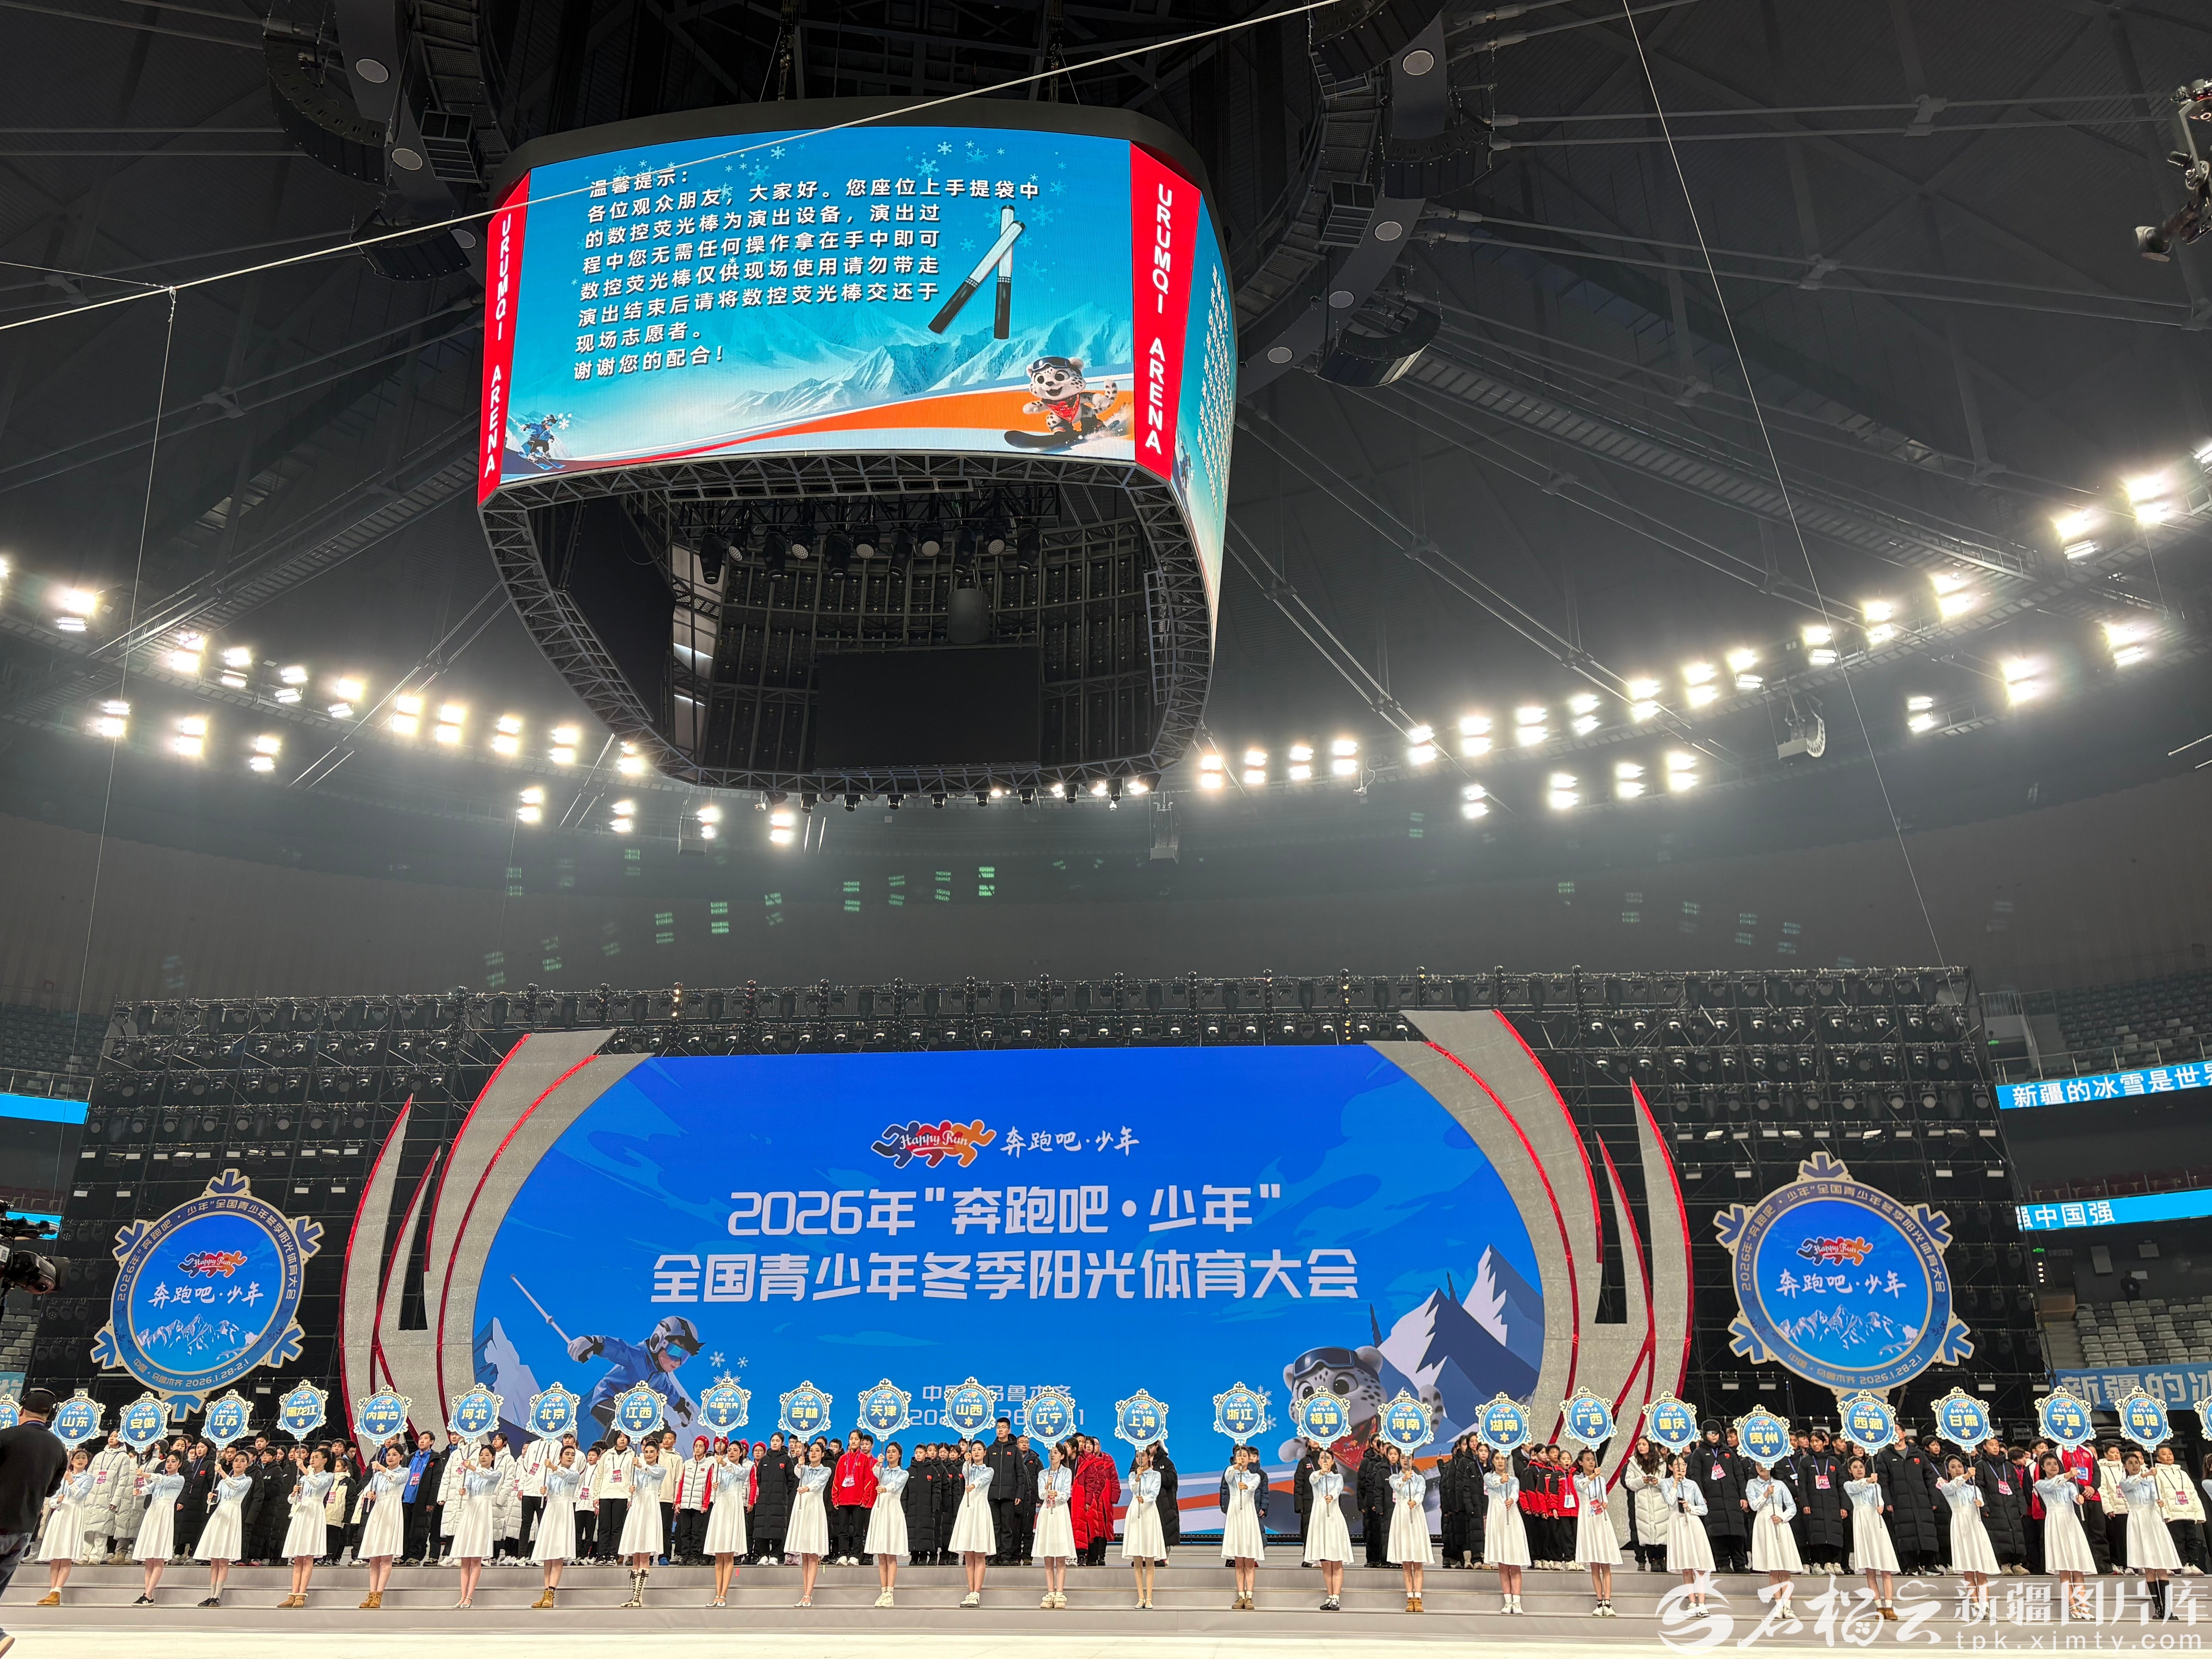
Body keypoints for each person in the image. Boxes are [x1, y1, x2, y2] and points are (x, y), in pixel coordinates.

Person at [2122, 1449, 2182, 1620]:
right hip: (2139, 1521)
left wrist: (2159, 1502)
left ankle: (2168, 1609)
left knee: (2161, 1565)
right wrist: (2146, 1474)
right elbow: (2132, 1483)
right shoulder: (2125, 1483)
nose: (2134, 1466)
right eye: (2130, 1464)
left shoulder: (2149, 1481)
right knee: (2149, 1567)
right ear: (2125, 1467)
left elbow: (2155, 1495)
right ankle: (2158, 1608)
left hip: (2153, 1520)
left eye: (2136, 1462)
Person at [2035, 1453, 2096, 1620]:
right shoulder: (2041, 1484)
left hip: (2071, 1522)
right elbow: (2053, 1485)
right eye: (2049, 1464)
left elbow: (2075, 1497)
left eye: (2055, 1463)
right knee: (2064, 1567)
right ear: (2043, 1467)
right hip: (2056, 1522)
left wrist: (2079, 1499)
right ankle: (2073, 1606)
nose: (2053, 1466)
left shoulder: (2069, 1484)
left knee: (2077, 1566)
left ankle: (2084, 1606)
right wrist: (2068, 1475)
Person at [1938, 1454, 1998, 1621]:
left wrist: (1981, 1504)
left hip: (1975, 1526)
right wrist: (1966, 1476)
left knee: (1981, 1569)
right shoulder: (1947, 1487)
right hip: (1960, 1526)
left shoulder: (1974, 1489)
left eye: (1960, 1466)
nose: (1957, 1469)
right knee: (1968, 1569)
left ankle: (1985, 1606)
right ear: (1949, 1471)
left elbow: (1981, 1502)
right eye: (1953, 1467)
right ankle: (1976, 1605)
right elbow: (1952, 1488)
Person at [1877, 1431, 1944, 1574]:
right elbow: (1883, 1481)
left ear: (1904, 1433)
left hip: (1922, 1500)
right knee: (1906, 1533)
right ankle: (1912, 1565)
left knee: (1928, 1531)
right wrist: (1887, 1501)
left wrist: (1933, 1498)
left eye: (1897, 1430)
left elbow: (1929, 1477)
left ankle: (1930, 1564)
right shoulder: (1885, 1455)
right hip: (1900, 1501)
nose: (1895, 1433)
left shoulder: (1918, 1453)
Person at [525, 1443, 582, 1609]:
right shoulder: (550, 1475)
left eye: (573, 1455)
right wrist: (544, 1489)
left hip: (564, 1512)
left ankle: (551, 1592)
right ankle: (545, 1593)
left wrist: (554, 1467)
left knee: (558, 1555)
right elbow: (547, 1487)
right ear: (561, 1456)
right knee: (548, 1556)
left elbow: (565, 1475)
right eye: (567, 1454)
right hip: (551, 1511)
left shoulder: (574, 1474)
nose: (570, 1457)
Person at [32, 1448, 92, 1606]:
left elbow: (80, 1496)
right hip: (60, 1514)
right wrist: (56, 1501)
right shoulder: (63, 1477)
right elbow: (52, 1498)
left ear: (87, 1462)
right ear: (72, 1461)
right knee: (56, 1554)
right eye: (77, 1457)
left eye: (84, 1458)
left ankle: (58, 1591)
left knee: (66, 1554)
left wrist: (71, 1481)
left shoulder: (88, 1478)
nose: (80, 1460)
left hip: (73, 1514)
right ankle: (52, 1591)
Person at [194, 1450, 254, 1607]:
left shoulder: (247, 1480)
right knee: (214, 1560)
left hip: (232, 1515)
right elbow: (217, 1498)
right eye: (236, 1460)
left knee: (223, 1560)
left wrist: (222, 1472)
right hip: (219, 1515)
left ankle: (218, 1595)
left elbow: (235, 1486)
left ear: (247, 1465)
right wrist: (211, 1499)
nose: (238, 1463)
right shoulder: (222, 1482)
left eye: (242, 1461)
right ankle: (211, 1595)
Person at [278, 1446, 336, 1607]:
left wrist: (304, 1469)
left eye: (317, 1457)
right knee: (298, 1557)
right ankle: (293, 1594)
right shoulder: (304, 1478)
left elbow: (318, 1485)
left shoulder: (328, 1476)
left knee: (308, 1556)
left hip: (314, 1512)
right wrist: (294, 1493)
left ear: (325, 1460)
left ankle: (301, 1595)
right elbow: (294, 1500)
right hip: (301, 1512)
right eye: (312, 1457)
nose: (313, 1459)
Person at [1844, 1455, 1899, 1621]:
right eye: (1855, 1467)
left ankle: (1889, 1606)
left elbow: (1880, 1501)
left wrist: (1881, 1506)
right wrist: (1869, 1480)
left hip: (1876, 1522)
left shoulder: (1876, 1486)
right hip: (1862, 1522)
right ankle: (1879, 1607)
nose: (1859, 1470)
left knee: (1885, 1569)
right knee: (1871, 1571)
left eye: (1861, 1467)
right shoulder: (1849, 1485)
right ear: (1850, 1471)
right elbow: (1858, 1488)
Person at [355, 1443, 409, 1609]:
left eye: (394, 1455)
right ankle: (371, 1594)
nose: (391, 1457)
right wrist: (370, 1493)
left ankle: (379, 1594)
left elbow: (395, 1478)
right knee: (374, 1558)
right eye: (389, 1455)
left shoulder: (404, 1472)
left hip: (391, 1511)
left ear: (401, 1457)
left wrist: (382, 1469)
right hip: (378, 1511)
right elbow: (370, 1489)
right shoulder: (378, 1475)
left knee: (386, 1558)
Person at [617, 1439, 670, 1607]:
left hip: (650, 1508)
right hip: (638, 1506)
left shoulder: (661, 1470)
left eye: (652, 1452)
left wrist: (640, 1466)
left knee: (645, 1554)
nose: (649, 1455)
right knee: (636, 1554)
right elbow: (632, 1482)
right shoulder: (637, 1470)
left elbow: (652, 1472)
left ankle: (639, 1596)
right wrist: (632, 1489)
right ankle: (635, 1596)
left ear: (657, 1453)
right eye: (646, 1452)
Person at [1745, 1460, 1804, 1611]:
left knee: (1785, 1567)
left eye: (1763, 1464)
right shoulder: (1752, 1484)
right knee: (1772, 1568)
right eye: (1758, 1465)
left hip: (1780, 1523)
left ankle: (1788, 1606)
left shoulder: (1780, 1485)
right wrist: (1765, 1494)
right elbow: (1754, 1506)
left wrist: (1783, 1517)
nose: (1761, 1467)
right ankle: (1779, 1605)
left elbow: (1792, 1507)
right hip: (1764, 1523)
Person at [1693, 1423, 1748, 1575]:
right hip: (1712, 1500)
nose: (1713, 1436)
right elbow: (1695, 1477)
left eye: (1716, 1433)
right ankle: (1723, 1563)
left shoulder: (1728, 1452)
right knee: (1718, 1533)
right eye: (1710, 1433)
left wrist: (1743, 1496)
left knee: (1737, 1533)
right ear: (1705, 1435)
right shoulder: (1699, 1453)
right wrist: (1700, 1497)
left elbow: (1739, 1476)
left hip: (1732, 1499)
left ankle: (1740, 1563)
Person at [1793, 1429, 1850, 1575]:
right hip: (1814, 1503)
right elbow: (1802, 1485)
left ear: (1824, 1443)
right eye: (1812, 1442)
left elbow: (1842, 1486)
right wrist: (1805, 1504)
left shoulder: (1834, 1462)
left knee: (1835, 1532)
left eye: (1817, 1441)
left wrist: (1844, 1506)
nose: (1814, 1444)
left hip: (1833, 1504)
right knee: (1818, 1533)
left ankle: (1835, 1563)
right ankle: (1821, 1563)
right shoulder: (1806, 1461)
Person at [1571, 1446, 1619, 1616]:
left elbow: (1603, 1497)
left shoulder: (1601, 1480)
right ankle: (1599, 1602)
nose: (1591, 1462)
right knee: (1594, 1565)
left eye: (1593, 1459)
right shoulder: (1578, 1479)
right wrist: (1593, 1476)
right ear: (1581, 1463)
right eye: (1588, 1460)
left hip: (1600, 1517)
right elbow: (1582, 1486)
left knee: (1605, 1564)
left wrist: (1605, 1503)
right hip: (1587, 1517)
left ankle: (1608, 1602)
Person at [1664, 1453, 1714, 1610]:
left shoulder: (1692, 1485)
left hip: (1693, 1523)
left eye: (1683, 1465)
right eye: (1677, 1466)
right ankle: (1692, 1602)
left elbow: (1704, 1509)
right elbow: (1669, 1501)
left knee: (1700, 1567)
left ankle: (1702, 1603)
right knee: (1686, 1568)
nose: (1681, 1468)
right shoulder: (1666, 1484)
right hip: (1678, 1524)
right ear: (1671, 1467)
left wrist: (1691, 1508)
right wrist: (1675, 1484)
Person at [1304, 1446, 1351, 1611]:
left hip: (1333, 1519)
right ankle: (1330, 1596)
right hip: (1319, 1519)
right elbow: (1313, 1480)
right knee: (1325, 1562)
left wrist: (1332, 1496)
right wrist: (1321, 1473)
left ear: (1333, 1462)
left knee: (1336, 1560)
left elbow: (1337, 1490)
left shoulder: (1337, 1478)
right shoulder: (1315, 1476)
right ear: (1319, 1462)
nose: (1325, 1461)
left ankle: (1336, 1597)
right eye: (1323, 1459)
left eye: (1328, 1459)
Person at [1484, 1449, 1532, 1614]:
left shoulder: (1513, 1480)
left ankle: (1517, 1602)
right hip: (1497, 1521)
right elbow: (1493, 1483)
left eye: (1503, 1458)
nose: (1500, 1461)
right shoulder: (1488, 1477)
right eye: (1497, 1458)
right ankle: (1508, 1601)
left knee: (1515, 1564)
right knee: (1503, 1565)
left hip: (1512, 1520)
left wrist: (1511, 1499)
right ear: (1493, 1461)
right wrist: (1500, 1480)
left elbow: (1515, 1493)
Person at [950, 1439, 996, 1607]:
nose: (976, 1452)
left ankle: (977, 1592)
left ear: (985, 1452)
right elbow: (965, 1472)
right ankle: (970, 1592)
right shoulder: (968, 1467)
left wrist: (974, 1485)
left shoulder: (989, 1470)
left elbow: (982, 1480)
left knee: (979, 1553)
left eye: (979, 1450)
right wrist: (967, 1462)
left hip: (980, 1508)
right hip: (968, 1508)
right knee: (969, 1554)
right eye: (974, 1449)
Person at [785, 1439, 831, 1607]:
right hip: (802, 1510)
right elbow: (798, 1473)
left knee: (812, 1555)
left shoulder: (826, 1470)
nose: (814, 1453)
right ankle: (805, 1592)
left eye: (817, 1451)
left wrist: (807, 1488)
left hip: (814, 1510)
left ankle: (808, 1595)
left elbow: (818, 1483)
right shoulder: (804, 1468)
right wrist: (800, 1463)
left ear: (823, 1454)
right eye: (812, 1450)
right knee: (804, 1555)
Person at [1221, 1443, 1266, 1610]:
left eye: (1245, 1456)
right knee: (1239, 1562)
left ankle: (1250, 1596)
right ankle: (1240, 1596)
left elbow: (1252, 1487)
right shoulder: (1231, 1473)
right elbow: (1228, 1477)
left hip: (1248, 1515)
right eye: (1239, 1456)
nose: (1242, 1459)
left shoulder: (1255, 1477)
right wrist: (1236, 1467)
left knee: (1249, 1561)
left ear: (1250, 1459)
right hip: (1235, 1516)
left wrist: (1246, 1486)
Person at [864, 1440, 908, 1607]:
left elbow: (896, 1485)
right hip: (880, 1510)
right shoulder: (882, 1471)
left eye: (894, 1452)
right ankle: (883, 1592)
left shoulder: (903, 1473)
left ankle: (890, 1592)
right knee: (881, 1555)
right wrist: (879, 1463)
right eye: (889, 1452)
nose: (891, 1454)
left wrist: (885, 1489)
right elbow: (875, 1471)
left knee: (891, 1554)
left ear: (899, 1455)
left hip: (893, 1511)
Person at [1975, 1437, 2027, 1576]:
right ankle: (2005, 1564)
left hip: (2012, 1506)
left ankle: (2017, 1564)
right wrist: (1984, 1506)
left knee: (2016, 1534)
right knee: (2000, 1535)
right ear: (1985, 1447)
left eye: (1997, 1445)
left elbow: (2017, 1488)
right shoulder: (1981, 1465)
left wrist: (2022, 1506)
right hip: (1994, 1506)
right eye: (1992, 1445)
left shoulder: (2008, 1466)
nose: (1995, 1447)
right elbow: (1980, 1488)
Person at [1033, 1441, 1076, 1609]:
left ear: (1063, 1456)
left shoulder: (1067, 1472)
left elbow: (1066, 1495)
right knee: (1048, 1556)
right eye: (1051, 1452)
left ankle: (1060, 1593)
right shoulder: (1043, 1474)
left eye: (1057, 1452)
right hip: (1047, 1512)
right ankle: (1050, 1592)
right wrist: (1046, 1488)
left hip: (1059, 1513)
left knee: (1060, 1556)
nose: (1053, 1455)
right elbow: (1041, 1495)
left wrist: (1057, 1493)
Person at [1388, 1449, 1432, 1613]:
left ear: (1413, 1460)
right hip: (1402, 1515)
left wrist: (1416, 1501)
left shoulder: (1420, 1478)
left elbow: (1421, 1492)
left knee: (1417, 1561)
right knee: (1406, 1561)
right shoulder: (1394, 1477)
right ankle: (1410, 1597)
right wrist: (1404, 1479)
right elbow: (1396, 1486)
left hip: (1416, 1513)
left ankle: (1418, 1598)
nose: (1405, 1461)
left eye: (1408, 1458)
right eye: (1402, 1458)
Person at [2154, 1446, 2206, 1573]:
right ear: (2158, 1459)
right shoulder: (2157, 1474)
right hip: (2173, 1515)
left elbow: (2193, 1493)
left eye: (2170, 1453)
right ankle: (2183, 1565)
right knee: (2178, 1541)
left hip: (2189, 1513)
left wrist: (2199, 1514)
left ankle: (2193, 1564)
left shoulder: (2182, 1473)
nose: (2168, 1456)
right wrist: (2164, 1514)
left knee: (2192, 1541)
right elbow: (2158, 1495)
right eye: (2164, 1454)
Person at [1625, 1441, 1670, 1572]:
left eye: (1644, 1444)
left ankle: (1662, 1559)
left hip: (1659, 1500)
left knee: (1662, 1530)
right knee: (1647, 1531)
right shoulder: (1633, 1463)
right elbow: (1629, 1482)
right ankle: (1653, 1560)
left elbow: (1668, 1481)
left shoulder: (1661, 1462)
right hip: (1642, 1501)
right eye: (1639, 1445)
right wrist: (1641, 1481)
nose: (1641, 1447)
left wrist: (1658, 1482)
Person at [752, 1432, 792, 1563]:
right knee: (762, 1527)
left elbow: (791, 1481)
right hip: (764, 1500)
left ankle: (775, 1556)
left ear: (782, 1443)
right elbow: (759, 1478)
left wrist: (783, 1494)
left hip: (779, 1501)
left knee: (777, 1528)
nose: (775, 1443)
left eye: (778, 1441)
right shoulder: (765, 1460)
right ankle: (764, 1555)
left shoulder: (786, 1460)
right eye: (773, 1441)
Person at [1358, 1432, 1391, 1568]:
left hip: (1388, 1503)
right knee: (1372, 1531)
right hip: (1372, 1502)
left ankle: (1387, 1559)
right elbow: (1363, 1484)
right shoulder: (1369, 1462)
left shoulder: (1393, 1464)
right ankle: (1373, 1559)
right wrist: (1364, 1504)